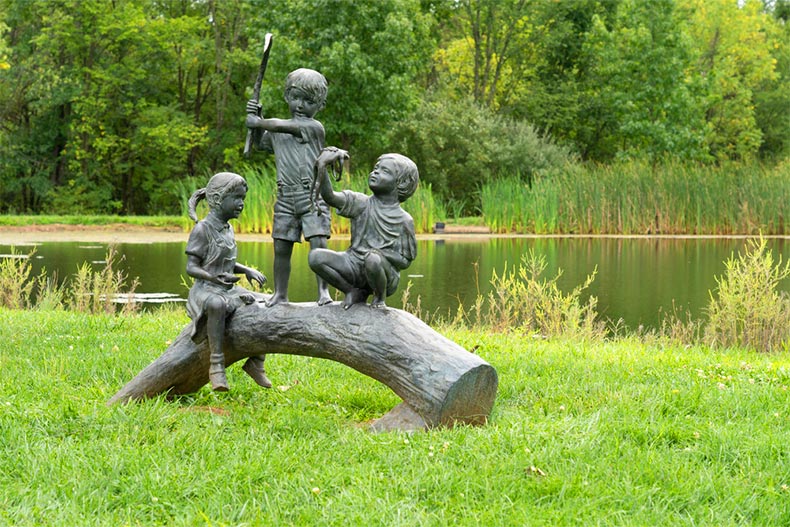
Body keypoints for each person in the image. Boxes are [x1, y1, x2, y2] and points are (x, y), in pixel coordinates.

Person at [245, 68, 332, 307]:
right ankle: (280, 294)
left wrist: (260, 121)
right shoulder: (276, 131)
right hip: (285, 197)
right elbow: (259, 143)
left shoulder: (314, 127)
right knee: (281, 247)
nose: (300, 105)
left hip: (311, 196)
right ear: (286, 96)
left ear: (319, 105)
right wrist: (254, 125)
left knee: (318, 244)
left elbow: (281, 126)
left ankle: (324, 292)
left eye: (308, 101)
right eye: (295, 98)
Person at [185, 172, 271, 392]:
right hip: (206, 289)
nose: (241, 204)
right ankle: (216, 366)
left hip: (228, 287)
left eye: (243, 198)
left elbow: (226, 262)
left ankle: (256, 362)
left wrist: (246, 270)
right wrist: (212, 277)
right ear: (217, 200)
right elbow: (191, 268)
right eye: (236, 198)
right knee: (217, 305)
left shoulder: (228, 228)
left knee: (269, 301)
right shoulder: (202, 229)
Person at [309, 147, 419, 309]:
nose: (375, 173)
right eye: (376, 168)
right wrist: (322, 166)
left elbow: (405, 261)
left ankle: (379, 298)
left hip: (383, 274)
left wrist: (380, 255)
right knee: (316, 257)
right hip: (353, 265)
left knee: (373, 259)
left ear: (401, 183)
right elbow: (329, 196)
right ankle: (352, 291)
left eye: (384, 171)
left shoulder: (404, 220)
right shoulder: (360, 203)